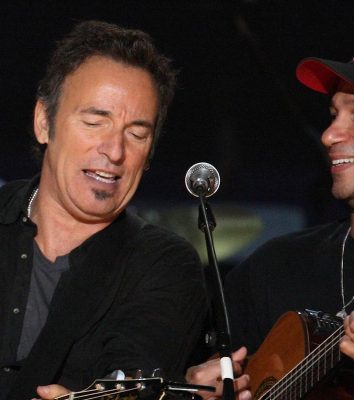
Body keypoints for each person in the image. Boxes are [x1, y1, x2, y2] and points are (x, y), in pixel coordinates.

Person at [191, 34, 354, 399]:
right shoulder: (273, 267)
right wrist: (195, 386)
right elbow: (202, 373)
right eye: (333, 116)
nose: (329, 135)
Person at [0, 20, 209, 400]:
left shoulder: (163, 265)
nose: (114, 151)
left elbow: (135, 368)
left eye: (137, 134)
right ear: (44, 122)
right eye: (95, 122)